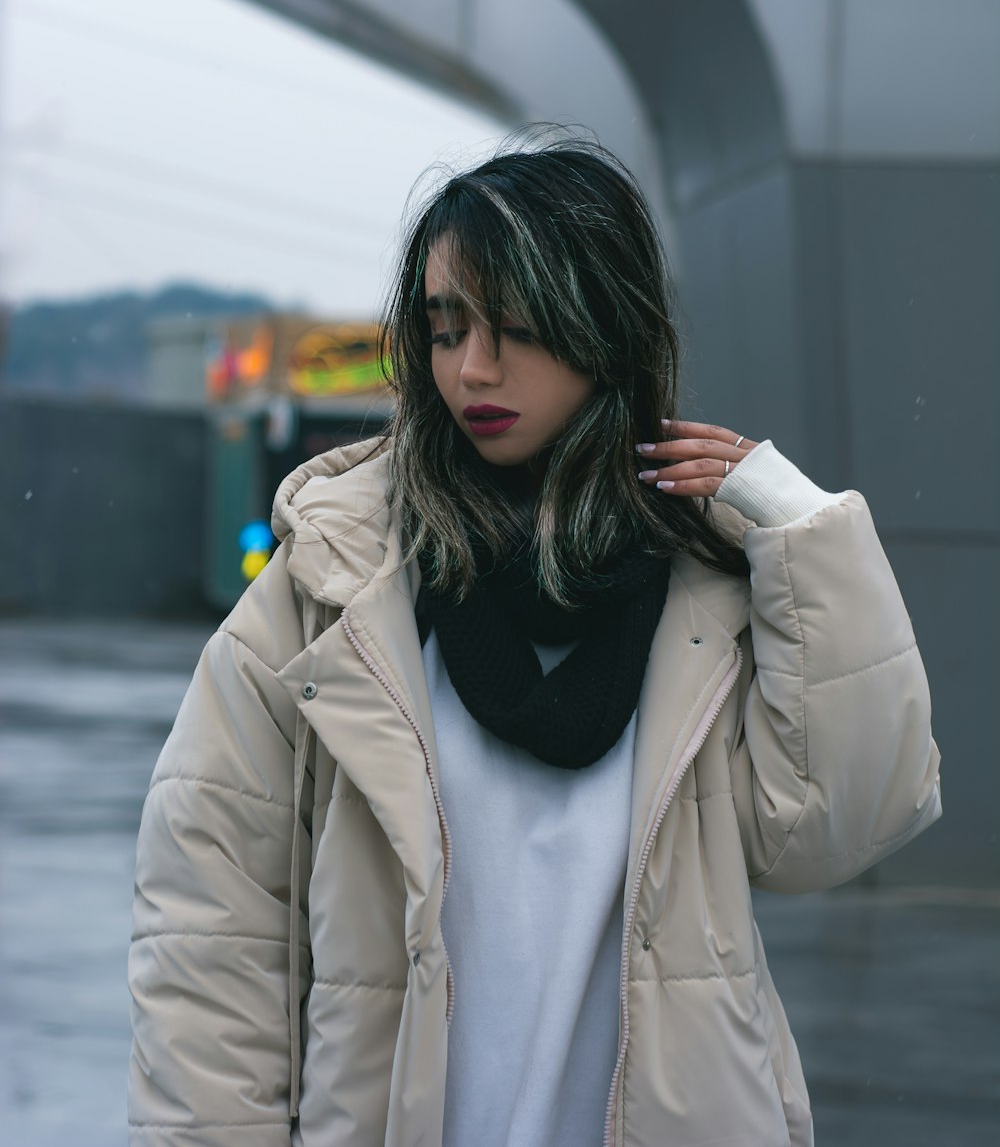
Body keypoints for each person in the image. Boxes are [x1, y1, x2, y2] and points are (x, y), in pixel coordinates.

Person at [128, 131, 941, 1147]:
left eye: (515, 325)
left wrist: (801, 534)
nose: (471, 367)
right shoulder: (333, 589)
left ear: (606, 325)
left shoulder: (709, 586)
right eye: (443, 325)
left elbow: (837, 828)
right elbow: (210, 930)